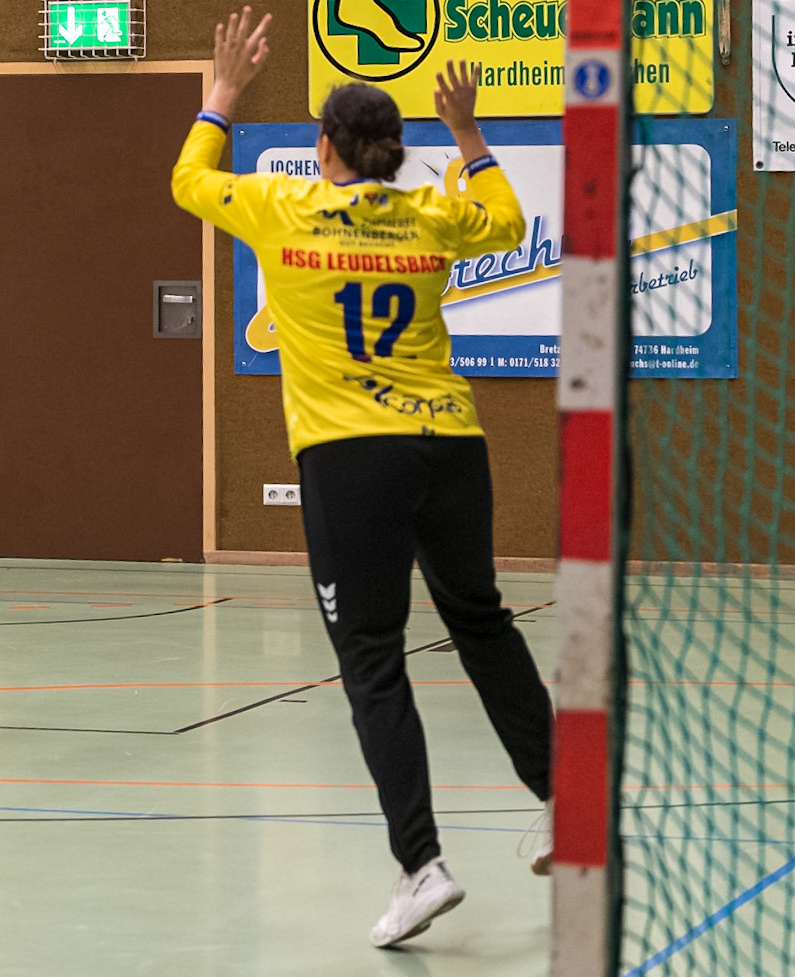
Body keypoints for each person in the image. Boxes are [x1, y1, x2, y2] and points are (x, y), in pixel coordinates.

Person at [172, 9, 554, 948]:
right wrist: (467, 133)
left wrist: (223, 90)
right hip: (449, 443)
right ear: (393, 151)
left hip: (350, 456)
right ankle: (567, 801)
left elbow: (187, 181)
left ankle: (421, 865)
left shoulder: (283, 208)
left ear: (323, 148)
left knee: (373, 656)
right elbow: (508, 221)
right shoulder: (428, 216)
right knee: (481, 619)